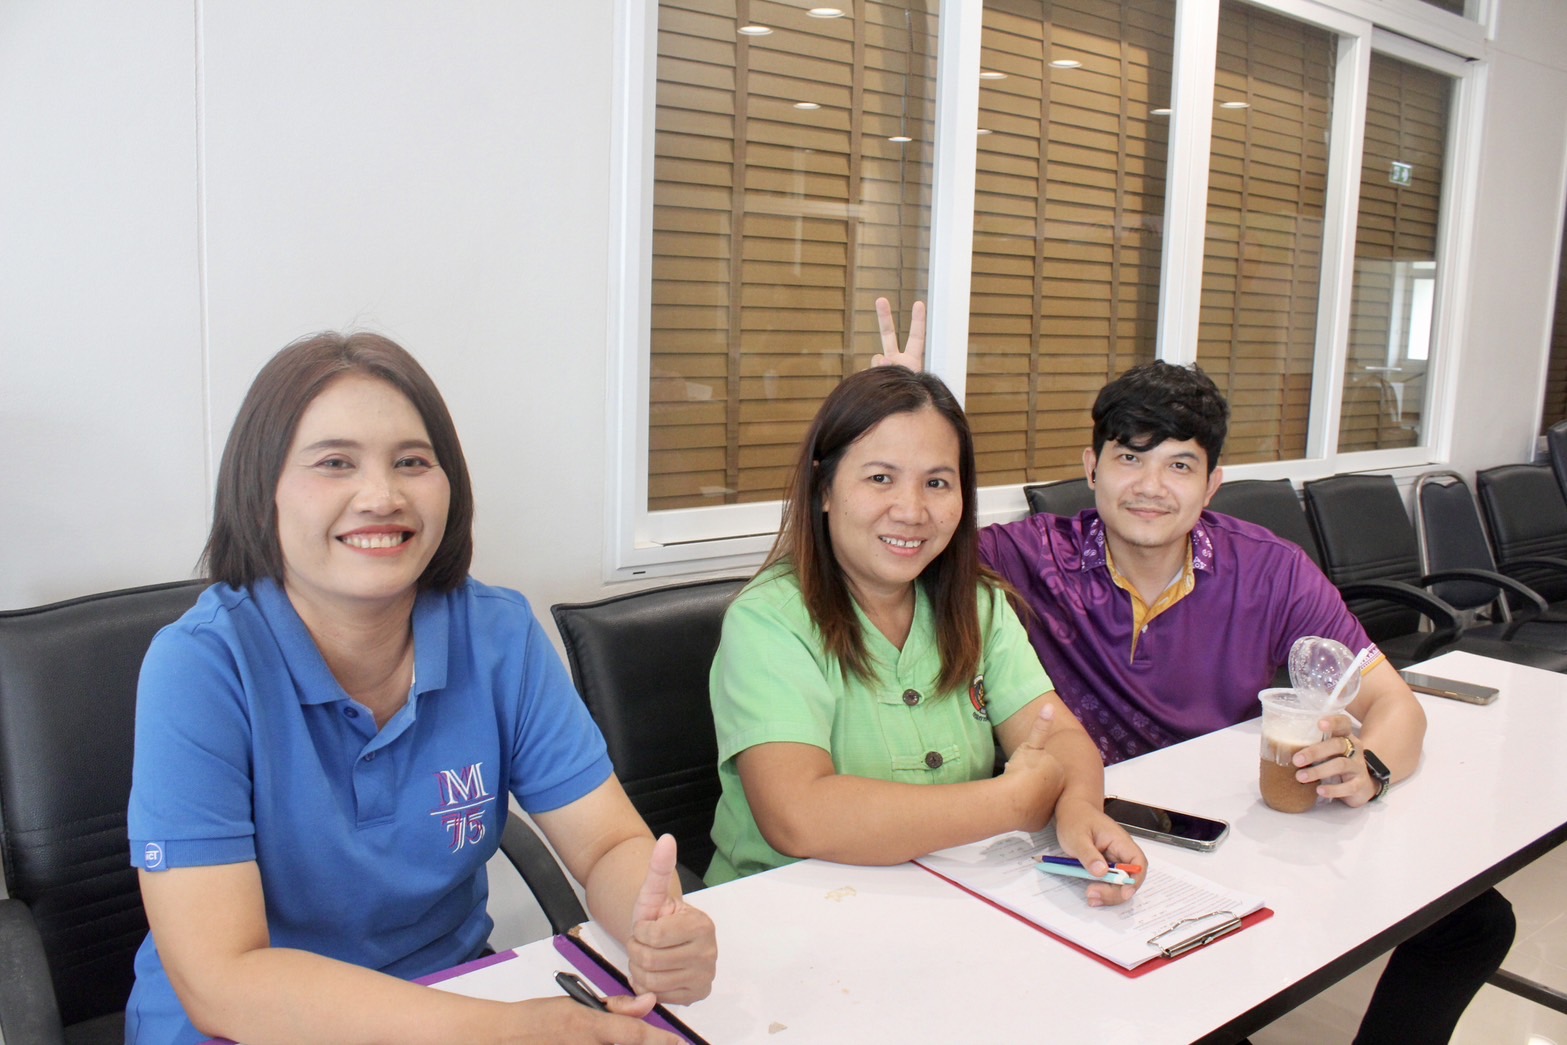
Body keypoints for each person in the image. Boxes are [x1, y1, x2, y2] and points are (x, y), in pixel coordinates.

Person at [875, 299, 1515, 1044]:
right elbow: (898, 534)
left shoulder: (1270, 571)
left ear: (1212, 484)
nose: (1150, 486)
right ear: (1090, 467)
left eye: (1179, 464)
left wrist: (1366, 767)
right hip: (1091, 835)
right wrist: (895, 423)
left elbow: (1396, 706)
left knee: (1476, 920)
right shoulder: (1025, 558)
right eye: (1129, 458)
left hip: (1230, 830)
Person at [127, 332, 716, 1045]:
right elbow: (224, 981)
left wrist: (655, 925)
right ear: (261, 493)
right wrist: (505, 1033)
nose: (382, 496)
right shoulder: (200, 667)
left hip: (455, 994)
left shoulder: (497, 635)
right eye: (335, 463)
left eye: (412, 461)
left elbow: (607, 844)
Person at [704, 365, 1146, 902]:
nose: (912, 511)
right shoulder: (769, 620)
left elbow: (1057, 736)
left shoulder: (977, 604)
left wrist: (1078, 810)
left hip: (947, 896)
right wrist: (1009, 803)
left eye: (937, 483)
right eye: (880, 478)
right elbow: (798, 816)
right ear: (824, 488)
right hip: (783, 909)